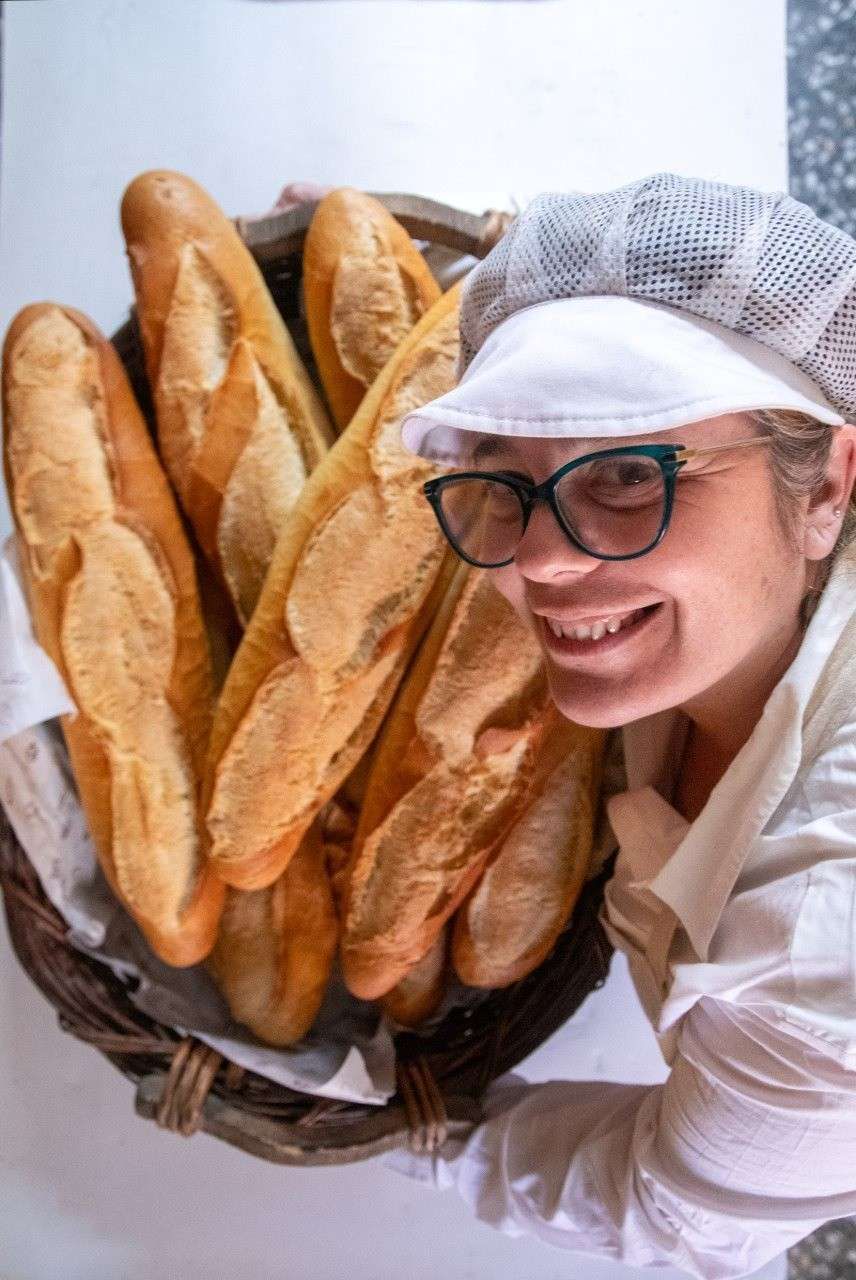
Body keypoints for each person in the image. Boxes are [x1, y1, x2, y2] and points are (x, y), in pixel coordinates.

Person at [384, 173, 856, 1280]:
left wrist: (408, 1124)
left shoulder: (811, 958)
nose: (541, 561)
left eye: (631, 478)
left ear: (828, 483)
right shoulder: (717, 616)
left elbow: (680, 1214)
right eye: (504, 483)